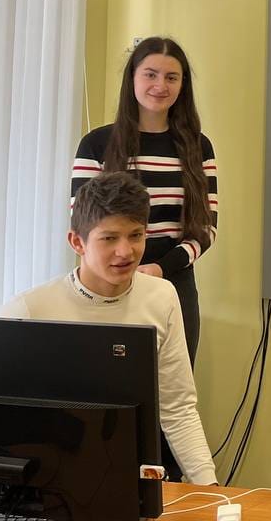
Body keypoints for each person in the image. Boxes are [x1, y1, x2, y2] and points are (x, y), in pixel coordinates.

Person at [4, 171, 218, 485]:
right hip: (45, 479)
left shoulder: (161, 297)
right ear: (77, 242)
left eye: (136, 235)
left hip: (130, 477)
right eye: (109, 238)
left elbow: (178, 409)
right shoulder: (29, 310)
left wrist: (209, 487)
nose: (125, 251)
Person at [72, 36, 218, 365]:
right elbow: (82, 224)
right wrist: (121, 267)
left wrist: (160, 269)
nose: (160, 86)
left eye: (171, 77)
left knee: (172, 386)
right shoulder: (96, 144)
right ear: (133, 78)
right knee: (104, 382)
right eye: (150, 74)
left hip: (174, 281)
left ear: (183, 84)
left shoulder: (198, 147)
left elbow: (206, 229)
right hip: (106, 282)